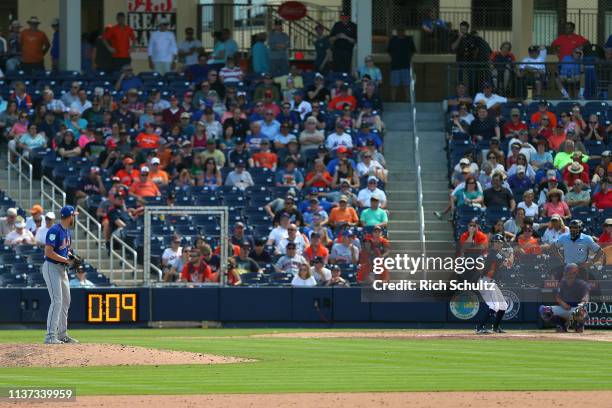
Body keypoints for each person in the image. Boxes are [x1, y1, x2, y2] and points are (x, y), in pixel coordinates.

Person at [42, 205, 79, 344]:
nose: (75, 217)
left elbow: (64, 250)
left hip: (62, 269)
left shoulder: (67, 231)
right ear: (69, 216)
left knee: (66, 301)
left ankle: (62, 334)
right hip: (51, 267)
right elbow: (48, 252)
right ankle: (50, 336)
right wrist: (67, 260)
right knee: (57, 301)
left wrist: (72, 257)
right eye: (74, 215)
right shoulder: (55, 230)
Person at [539, 263, 589, 332]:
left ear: (575, 273)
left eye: (570, 272)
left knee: (580, 313)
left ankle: (578, 326)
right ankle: (562, 324)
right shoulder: (562, 283)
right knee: (544, 310)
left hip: (575, 309)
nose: (568, 274)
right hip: (564, 308)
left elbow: (586, 297)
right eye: (567, 272)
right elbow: (558, 297)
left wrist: (581, 304)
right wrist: (563, 304)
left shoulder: (582, 284)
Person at [476, 234, 510, 334]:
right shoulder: (494, 253)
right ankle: (479, 328)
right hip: (485, 281)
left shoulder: (496, 253)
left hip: (491, 282)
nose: (498, 244)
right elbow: (508, 263)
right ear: (493, 243)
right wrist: (511, 253)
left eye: (500, 242)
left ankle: (495, 327)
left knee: (503, 305)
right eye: (496, 242)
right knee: (495, 306)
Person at [387, 27, 416, 102]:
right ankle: (393, 100)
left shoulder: (409, 40)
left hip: (406, 65)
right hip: (395, 66)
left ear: (404, 31)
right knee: (394, 85)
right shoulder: (393, 40)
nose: (400, 32)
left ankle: (408, 99)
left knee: (406, 84)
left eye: (401, 30)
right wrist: (394, 58)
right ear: (396, 31)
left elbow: (413, 51)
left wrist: (409, 59)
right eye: (398, 30)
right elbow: (389, 51)